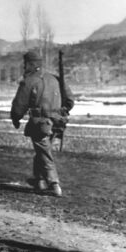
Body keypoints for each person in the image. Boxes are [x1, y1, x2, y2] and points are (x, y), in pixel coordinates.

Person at [11, 50, 74, 197]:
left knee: (44, 153)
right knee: (42, 151)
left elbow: (19, 104)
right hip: (58, 123)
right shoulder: (56, 79)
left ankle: (54, 184)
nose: (24, 67)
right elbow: (70, 101)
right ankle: (39, 181)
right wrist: (61, 110)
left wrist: (15, 117)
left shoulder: (29, 81)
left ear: (31, 64)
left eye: (26, 64)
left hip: (40, 123)